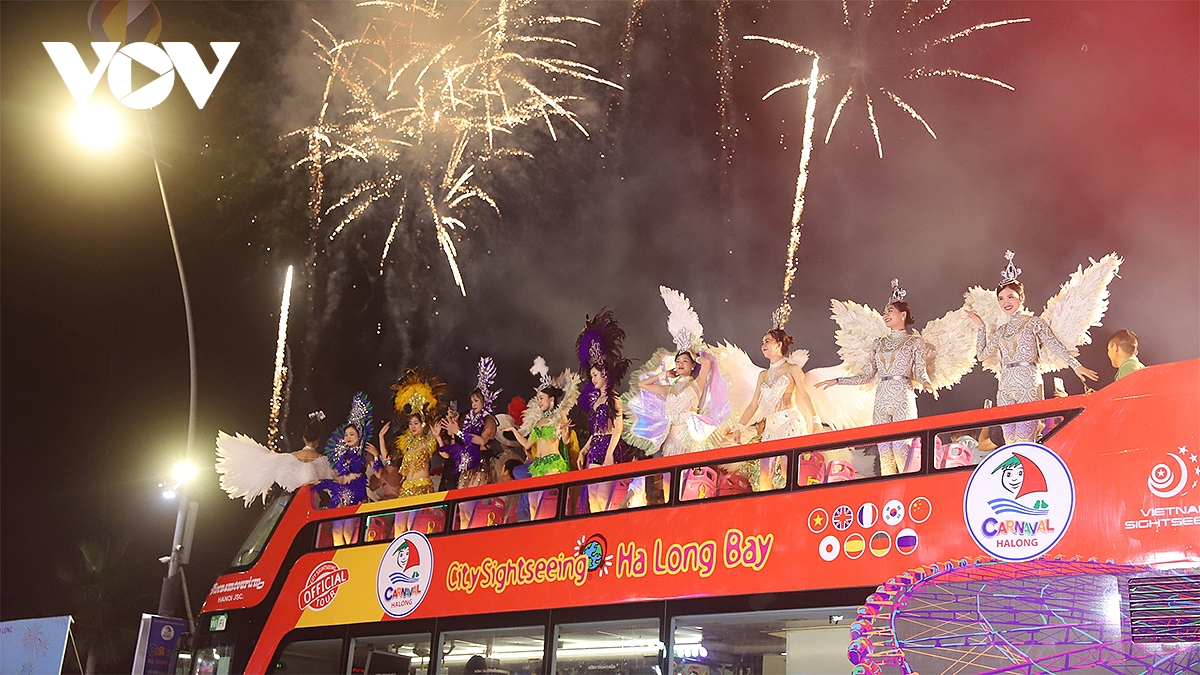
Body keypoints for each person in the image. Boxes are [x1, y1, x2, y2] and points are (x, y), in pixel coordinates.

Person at [966, 251, 1101, 443]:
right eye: (1001, 298)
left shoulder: (1034, 323)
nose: (1006, 302)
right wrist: (981, 327)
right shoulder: (1001, 330)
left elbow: (1054, 344)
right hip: (1004, 387)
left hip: (1028, 384)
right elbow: (982, 355)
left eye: (1010, 297)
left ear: (1021, 298)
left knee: (1024, 440)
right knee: (1009, 443)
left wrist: (1075, 365)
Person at [816, 280, 933, 475]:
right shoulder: (878, 343)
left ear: (903, 314)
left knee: (901, 448)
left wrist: (926, 382)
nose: (885, 315)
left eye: (890, 311)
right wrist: (837, 381)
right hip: (881, 397)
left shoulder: (915, 342)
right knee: (884, 452)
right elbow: (867, 376)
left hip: (902, 395)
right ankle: (890, 491)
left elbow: (920, 371)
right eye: (885, 311)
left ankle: (910, 486)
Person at [214, 410, 337, 506]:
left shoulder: (286, 459)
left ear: (303, 438)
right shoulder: (326, 462)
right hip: (311, 508)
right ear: (318, 440)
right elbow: (338, 483)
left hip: (290, 506)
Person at [312, 393, 377, 545]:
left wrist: (377, 456)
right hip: (341, 495)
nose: (348, 437)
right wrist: (323, 482)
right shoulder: (342, 456)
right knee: (336, 533)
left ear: (360, 436)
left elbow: (379, 473)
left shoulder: (365, 454)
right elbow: (339, 477)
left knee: (348, 533)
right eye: (346, 434)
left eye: (352, 434)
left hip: (355, 495)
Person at [734, 328, 816, 443]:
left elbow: (805, 395)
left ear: (778, 344)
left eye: (767, 341)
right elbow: (753, 404)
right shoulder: (763, 375)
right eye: (762, 342)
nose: (763, 345)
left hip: (790, 423)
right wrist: (739, 427)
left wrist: (815, 419)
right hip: (770, 428)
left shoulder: (792, 369)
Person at [501, 358, 580, 478]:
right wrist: (513, 430)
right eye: (538, 398)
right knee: (534, 491)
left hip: (552, 464)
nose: (539, 402)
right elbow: (527, 444)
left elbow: (566, 441)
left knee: (547, 491)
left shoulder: (559, 416)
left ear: (551, 399)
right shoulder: (537, 422)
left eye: (542, 398)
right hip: (538, 465)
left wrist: (565, 431)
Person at [438, 357, 502, 489]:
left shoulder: (489, 419)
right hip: (467, 465)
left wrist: (458, 432)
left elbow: (482, 441)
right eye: (472, 402)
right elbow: (460, 440)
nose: (473, 404)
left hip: (481, 463)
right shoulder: (470, 419)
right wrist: (453, 424)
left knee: (473, 498)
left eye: (476, 401)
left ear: (485, 401)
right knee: (462, 499)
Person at [391, 367, 450, 498]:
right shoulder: (407, 442)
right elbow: (388, 459)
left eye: (416, 423)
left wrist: (437, 437)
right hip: (405, 488)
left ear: (422, 424)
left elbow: (445, 455)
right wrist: (380, 437)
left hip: (422, 487)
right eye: (411, 424)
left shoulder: (428, 439)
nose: (413, 426)